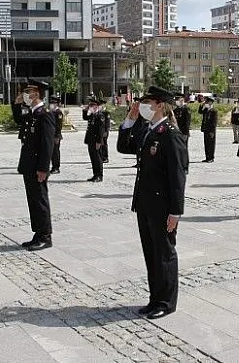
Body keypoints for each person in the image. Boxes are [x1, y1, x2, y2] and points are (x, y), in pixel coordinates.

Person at [116, 86, 188, 320]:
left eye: (147, 102)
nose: (142, 106)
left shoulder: (170, 134)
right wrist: (130, 118)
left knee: (164, 254)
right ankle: (154, 298)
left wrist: (176, 212)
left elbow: (178, 176)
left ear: (159, 105)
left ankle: (166, 302)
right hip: (145, 203)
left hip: (162, 206)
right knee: (151, 253)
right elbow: (124, 146)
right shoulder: (147, 130)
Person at [17, 80, 56, 251]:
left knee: (40, 200)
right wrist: (16, 104)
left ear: (37, 93)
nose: (26, 94)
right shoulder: (32, 113)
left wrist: (43, 168)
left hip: (37, 166)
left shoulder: (45, 114)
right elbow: (18, 119)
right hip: (28, 164)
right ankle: (37, 232)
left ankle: (45, 236)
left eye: (28, 91)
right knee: (32, 200)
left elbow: (47, 145)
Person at [82, 98, 106, 182]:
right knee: (93, 158)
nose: (90, 107)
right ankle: (95, 174)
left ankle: (99, 175)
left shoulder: (100, 116)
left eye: (92, 105)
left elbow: (101, 130)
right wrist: (85, 110)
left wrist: (99, 141)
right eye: (90, 105)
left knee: (98, 158)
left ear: (97, 106)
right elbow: (85, 117)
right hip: (90, 140)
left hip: (96, 141)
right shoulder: (92, 115)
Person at [198, 96, 217, 163]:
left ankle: (211, 157)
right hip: (206, 129)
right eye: (206, 102)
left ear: (211, 102)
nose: (206, 103)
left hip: (211, 130)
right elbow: (200, 112)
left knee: (211, 144)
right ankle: (207, 157)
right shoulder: (206, 109)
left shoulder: (214, 111)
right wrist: (202, 105)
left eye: (208, 102)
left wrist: (212, 131)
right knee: (206, 143)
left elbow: (214, 122)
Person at [50, 95, 64, 174]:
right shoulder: (51, 112)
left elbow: (59, 126)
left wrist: (57, 136)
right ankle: (53, 166)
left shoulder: (58, 112)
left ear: (57, 104)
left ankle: (56, 167)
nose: (52, 104)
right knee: (51, 152)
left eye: (54, 103)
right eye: (51, 102)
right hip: (50, 135)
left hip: (55, 136)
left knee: (55, 152)